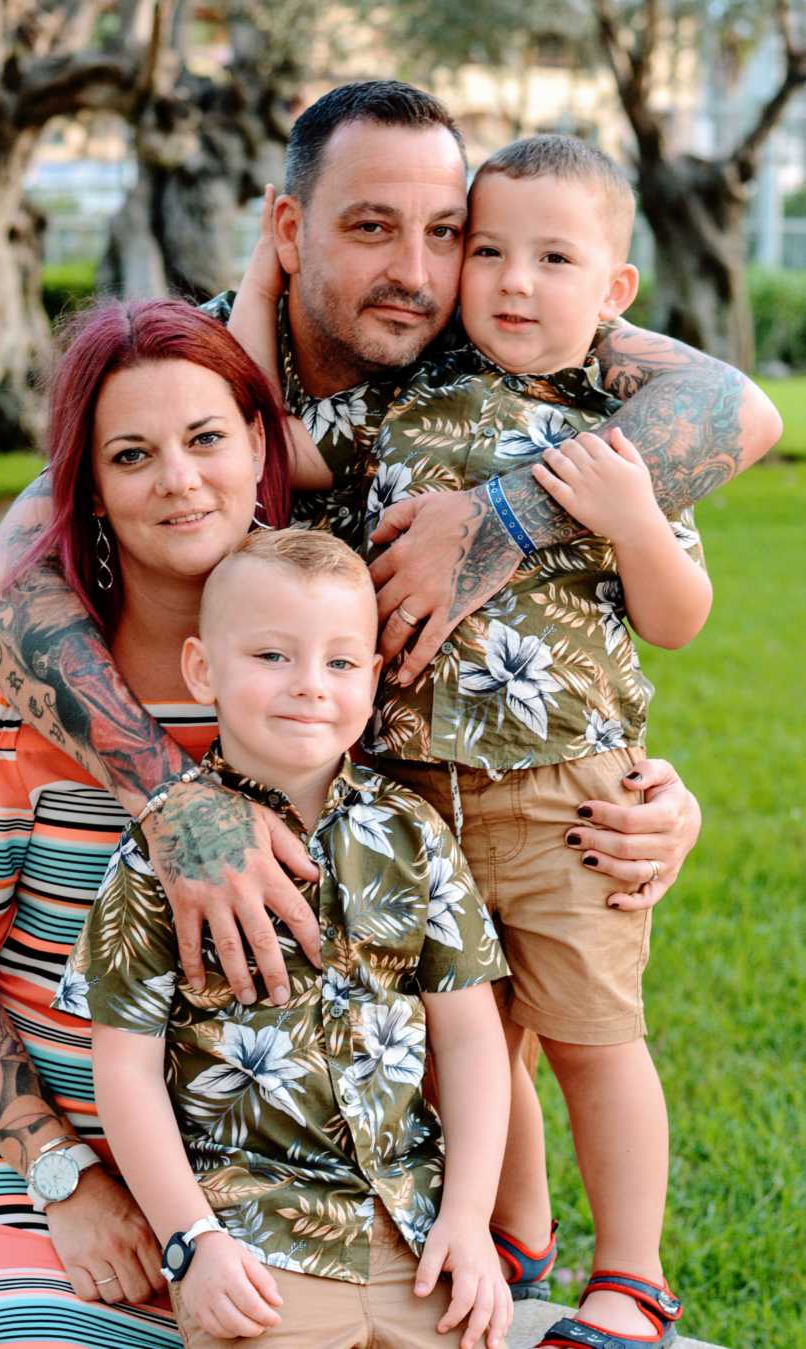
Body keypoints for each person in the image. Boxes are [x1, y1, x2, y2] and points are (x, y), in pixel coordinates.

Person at [0, 72, 777, 1311]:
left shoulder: (498, 351)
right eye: (369, 226)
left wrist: (503, 519)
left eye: (447, 229)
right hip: (255, 949)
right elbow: (0, 599)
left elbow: (730, 406)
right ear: (287, 232)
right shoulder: (186, 383)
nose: (426, 267)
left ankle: (568, 1252)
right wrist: (181, 805)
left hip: (469, 813)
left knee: (512, 1012)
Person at [233, 134, 713, 1347]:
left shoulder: (620, 430)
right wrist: (256, 279)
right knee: (466, 1030)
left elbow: (678, 616)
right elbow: (266, 439)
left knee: (595, 1037)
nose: (508, 280)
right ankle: (512, 1227)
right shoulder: (404, 393)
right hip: (410, 790)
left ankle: (634, 1277)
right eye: (487, 248)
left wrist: (630, 520)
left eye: (552, 258)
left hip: (568, 796)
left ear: (614, 292)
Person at [0, 299, 293, 1348]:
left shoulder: (328, 670)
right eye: (134, 454)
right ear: (87, 490)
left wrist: (655, 803)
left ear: (260, 446)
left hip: (259, 1153)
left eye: (208, 438)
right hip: (18, 1129)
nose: (179, 479)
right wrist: (63, 1174)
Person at [55, 527, 514, 1349]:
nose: (309, 686)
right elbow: (123, 1068)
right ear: (204, 669)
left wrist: (471, 1218)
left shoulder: (411, 833)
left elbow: (474, 1039)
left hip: (416, 1233)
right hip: (259, 1245)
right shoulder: (170, 857)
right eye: (272, 656)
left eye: (340, 663)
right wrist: (192, 1241)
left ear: (372, 679)